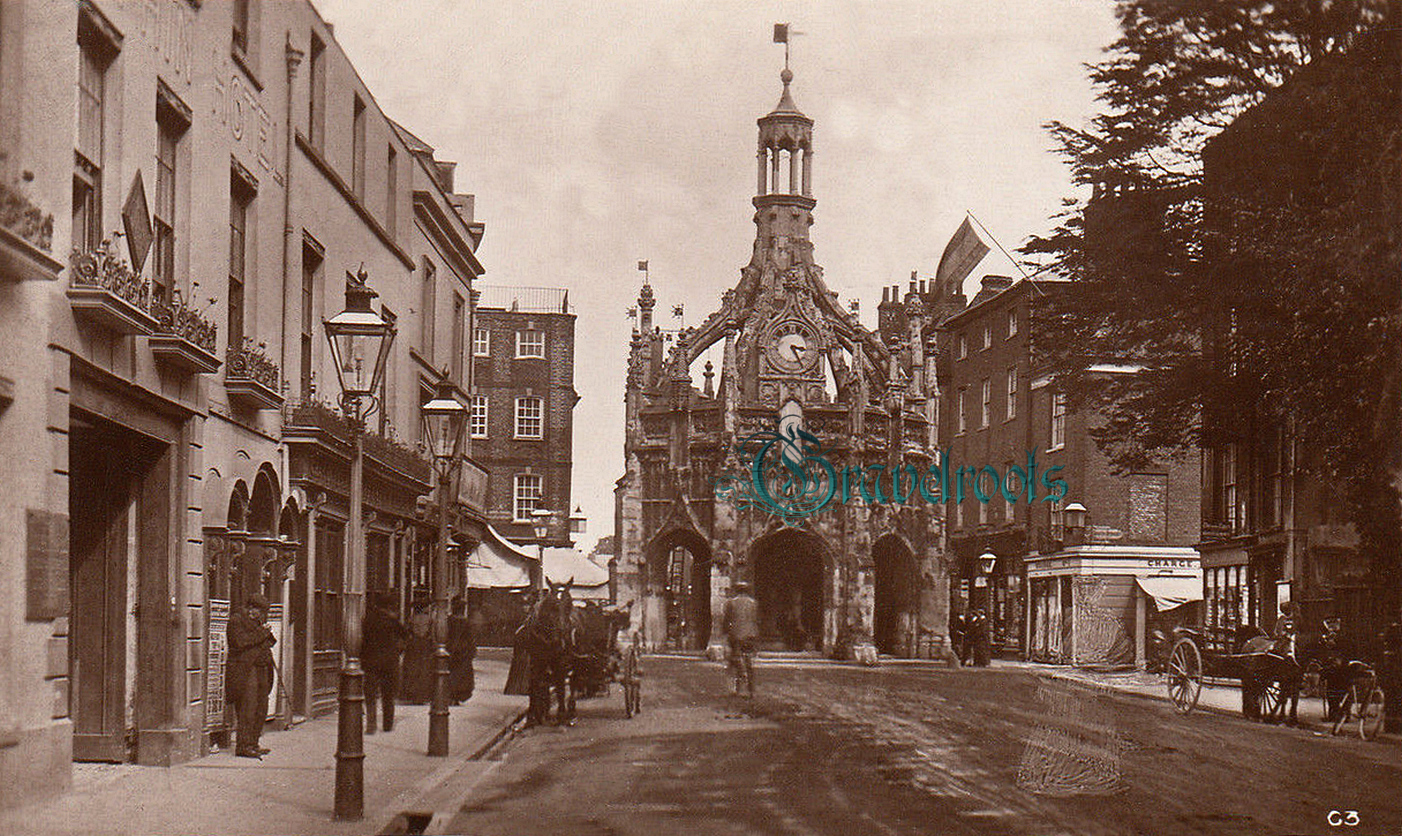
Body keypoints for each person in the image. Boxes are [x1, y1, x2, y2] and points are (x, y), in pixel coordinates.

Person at [227, 593, 276, 759]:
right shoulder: (236, 620)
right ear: (250, 607)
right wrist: (262, 634)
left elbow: (268, 641)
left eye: (262, 612)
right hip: (246, 670)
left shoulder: (257, 622)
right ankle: (243, 746)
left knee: (261, 707)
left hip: (261, 667)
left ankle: (253, 743)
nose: (259, 615)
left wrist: (265, 634)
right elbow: (240, 642)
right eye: (258, 611)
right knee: (248, 707)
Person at [362, 591, 408, 733]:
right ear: (389, 606)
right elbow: (405, 635)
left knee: (370, 695)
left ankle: (371, 725)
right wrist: (398, 651)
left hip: (371, 661)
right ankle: (387, 725)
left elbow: (363, 638)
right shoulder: (392, 620)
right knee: (388, 695)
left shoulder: (369, 619)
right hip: (389, 662)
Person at [722, 581, 759, 696]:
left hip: (736, 636)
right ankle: (751, 690)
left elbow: (727, 620)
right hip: (750, 636)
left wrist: (725, 631)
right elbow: (756, 619)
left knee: (734, 660)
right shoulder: (753, 603)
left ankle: (736, 688)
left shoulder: (731, 603)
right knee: (749, 662)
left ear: (736, 590)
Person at [447, 597, 477, 704]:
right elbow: (470, 638)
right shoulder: (465, 622)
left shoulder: (449, 620)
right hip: (463, 651)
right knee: (462, 676)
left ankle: (450, 696)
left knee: (451, 673)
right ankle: (457, 697)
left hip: (450, 649)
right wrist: (472, 651)